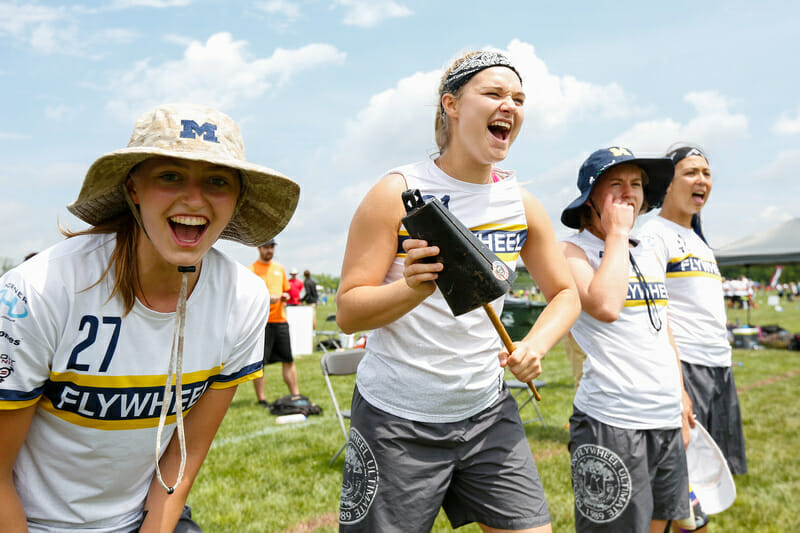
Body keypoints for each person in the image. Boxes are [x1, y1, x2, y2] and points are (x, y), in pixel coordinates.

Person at [0, 103, 299, 532]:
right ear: (133, 188)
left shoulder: (244, 299)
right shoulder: (40, 290)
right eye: (170, 176)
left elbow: (186, 455)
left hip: (142, 517)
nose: (194, 199)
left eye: (217, 181)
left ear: (237, 201)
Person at [335, 50, 580, 532]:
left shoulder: (521, 203)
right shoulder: (397, 192)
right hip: (396, 421)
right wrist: (411, 290)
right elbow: (348, 311)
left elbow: (566, 293)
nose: (509, 105)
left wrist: (536, 345)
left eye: (519, 98)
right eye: (493, 94)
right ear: (451, 104)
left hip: (487, 412)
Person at [560, 146, 693, 532]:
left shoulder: (649, 251)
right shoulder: (570, 251)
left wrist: (680, 398)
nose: (629, 193)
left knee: (662, 520)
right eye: (615, 184)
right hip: (611, 418)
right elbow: (604, 305)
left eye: (636, 184)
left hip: (663, 414)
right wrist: (617, 233)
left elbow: (661, 328)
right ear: (590, 197)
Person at [638, 145, 747, 531]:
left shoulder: (699, 241)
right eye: (690, 172)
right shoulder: (653, 236)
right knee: (671, 494)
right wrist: (677, 387)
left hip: (717, 369)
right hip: (685, 371)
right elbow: (654, 315)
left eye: (706, 172)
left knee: (698, 490)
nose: (701, 180)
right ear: (666, 183)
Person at [249, 239, 300, 403]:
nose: (269, 250)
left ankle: (295, 394)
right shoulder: (252, 270)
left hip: (280, 321)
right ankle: (261, 399)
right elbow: (250, 297)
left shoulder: (279, 268)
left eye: (271, 247)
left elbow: (285, 290)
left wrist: (284, 297)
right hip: (262, 323)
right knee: (260, 363)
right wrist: (269, 298)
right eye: (266, 247)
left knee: (288, 359)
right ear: (258, 248)